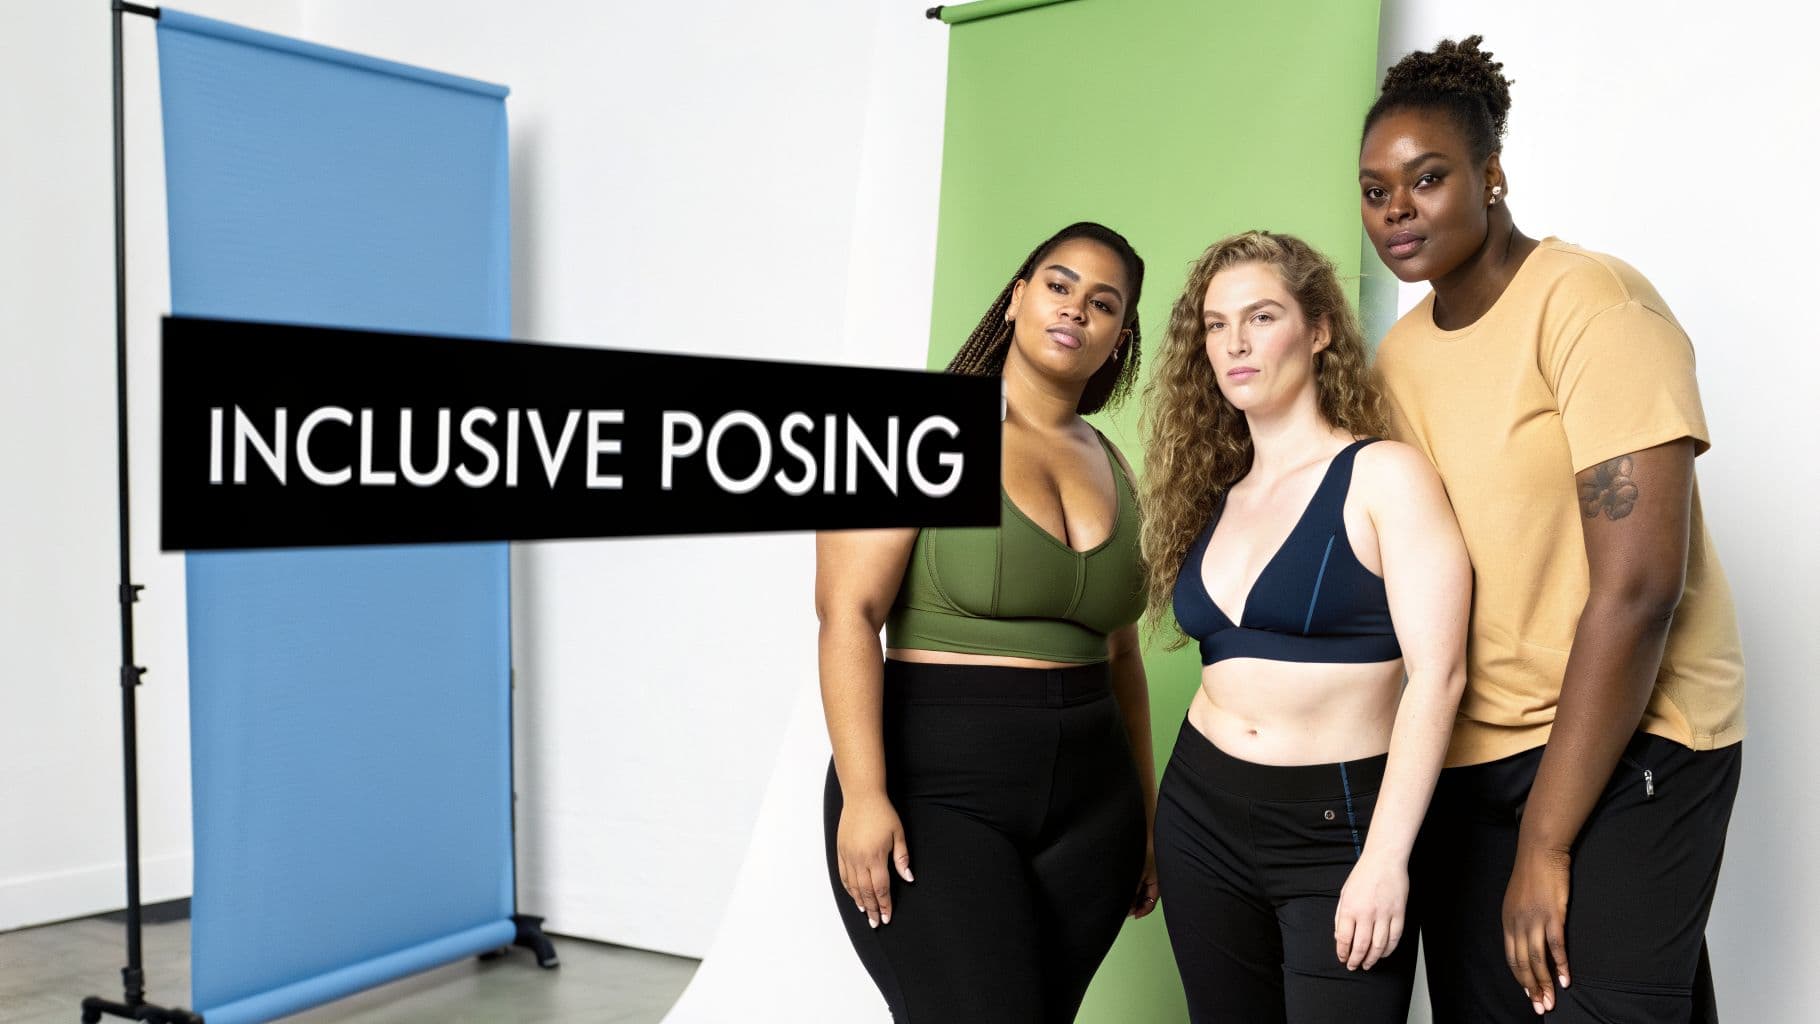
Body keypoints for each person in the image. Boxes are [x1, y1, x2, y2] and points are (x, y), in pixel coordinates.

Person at [1359, 36, 1747, 1022]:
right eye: (1374, 191)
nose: (1397, 209)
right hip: (1473, 753)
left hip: (1632, 735)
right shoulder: (1395, 362)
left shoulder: (1589, 303)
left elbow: (1639, 588)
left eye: (1427, 178)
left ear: (1491, 176)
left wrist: (1544, 840)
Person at [817, 222, 1157, 1023]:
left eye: (1103, 302)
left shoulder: (1115, 463)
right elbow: (847, 615)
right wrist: (864, 795)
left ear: (1118, 338)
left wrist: (1145, 819)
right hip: (938, 790)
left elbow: (1122, 656)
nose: (1075, 308)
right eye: (1059, 285)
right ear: (1017, 298)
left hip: (1093, 810)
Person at [1139, 230, 1470, 1023]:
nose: (1235, 343)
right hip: (1199, 817)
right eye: (1216, 325)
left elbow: (1440, 675)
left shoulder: (1384, 475)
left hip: (1338, 828)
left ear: (1319, 330)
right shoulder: (1214, 492)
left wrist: (1386, 857)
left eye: (1261, 317)